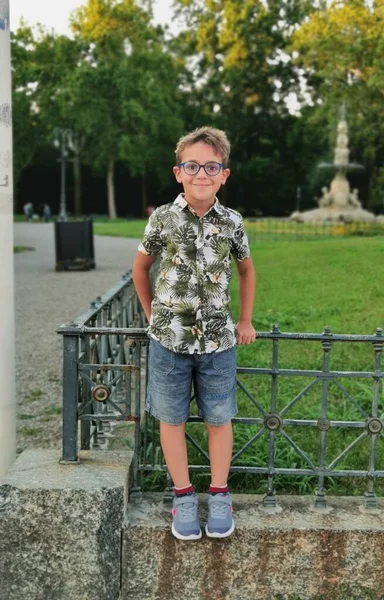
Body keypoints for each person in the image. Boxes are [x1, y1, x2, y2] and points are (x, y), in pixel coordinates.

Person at [132, 126, 256, 541]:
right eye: (192, 165)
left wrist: (245, 320)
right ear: (178, 171)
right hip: (169, 341)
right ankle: (183, 495)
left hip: (218, 341)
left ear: (224, 174)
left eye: (211, 166)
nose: (201, 173)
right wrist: (153, 316)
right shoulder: (162, 219)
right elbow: (140, 268)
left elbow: (246, 270)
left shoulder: (232, 222)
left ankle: (219, 492)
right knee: (172, 418)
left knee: (219, 417)